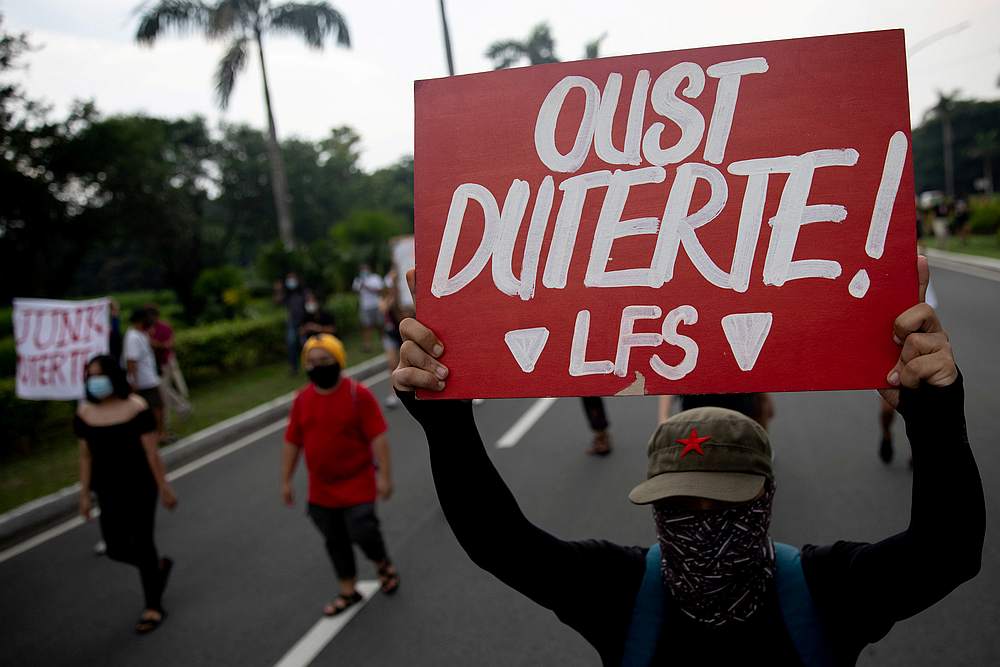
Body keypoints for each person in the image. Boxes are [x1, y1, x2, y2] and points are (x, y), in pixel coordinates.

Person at [390, 260, 984, 665]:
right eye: (679, 506)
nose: (703, 523)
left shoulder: (830, 594)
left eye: (726, 503)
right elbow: (499, 542)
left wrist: (933, 412)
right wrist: (446, 425)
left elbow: (949, 550)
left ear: (764, 499)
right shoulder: (618, 593)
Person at [281, 334, 400, 616]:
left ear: (339, 361)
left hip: (358, 482)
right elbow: (292, 441)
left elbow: (378, 437)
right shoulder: (302, 400)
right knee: (334, 540)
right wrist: (286, 480)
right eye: (311, 362)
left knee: (363, 529)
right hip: (321, 489)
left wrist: (384, 476)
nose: (318, 366)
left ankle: (382, 563)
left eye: (325, 360)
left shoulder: (358, 395)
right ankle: (348, 590)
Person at [76, 355, 178, 634]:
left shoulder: (136, 408)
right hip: (107, 490)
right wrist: (84, 494)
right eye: (89, 375)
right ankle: (155, 568)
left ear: (113, 376)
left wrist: (165, 487)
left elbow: (151, 453)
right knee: (115, 547)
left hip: (140, 487)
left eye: (99, 375)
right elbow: (85, 456)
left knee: (144, 542)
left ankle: (153, 606)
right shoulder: (85, 412)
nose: (94, 381)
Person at [146, 303, 191, 435]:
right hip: (154, 365)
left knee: (163, 392)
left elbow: (169, 344)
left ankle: (166, 422)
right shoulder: (147, 329)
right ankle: (183, 407)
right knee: (164, 389)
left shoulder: (164, 327)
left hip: (166, 362)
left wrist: (155, 344)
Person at [123, 308, 164, 439]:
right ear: (140, 321)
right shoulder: (133, 337)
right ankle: (158, 435)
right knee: (155, 409)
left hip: (149, 379)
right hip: (143, 382)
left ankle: (159, 434)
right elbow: (131, 361)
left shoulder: (142, 334)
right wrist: (133, 382)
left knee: (157, 408)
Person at [379, 270, 407, 409]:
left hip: (403, 333)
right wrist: (392, 296)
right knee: (392, 364)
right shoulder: (386, 298)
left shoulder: (404, 298)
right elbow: (383, 308)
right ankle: (393, 393)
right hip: (390, 334)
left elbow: (405, 314)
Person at [275, 272, 307, 374]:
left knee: (305, 344)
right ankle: (294, 368)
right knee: (291, 343)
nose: (291, 281)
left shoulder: (303, 291)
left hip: (304, 321)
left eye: (292, 278)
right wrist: (278, 290)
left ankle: (310, 364)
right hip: (292, 322)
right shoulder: (287, 294)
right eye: (289, 279)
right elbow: (277, 301)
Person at [353, 264, 384, 353]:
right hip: (365, 307)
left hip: (377, 305)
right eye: (362, 269)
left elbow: (380, 290)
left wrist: (367, 287)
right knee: (366, 326)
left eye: (365, 269)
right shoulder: (358, 280)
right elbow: (355, 291)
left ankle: (384, 342)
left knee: (380, 325)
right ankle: (367, 345)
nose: (364, 271)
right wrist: (360, 285)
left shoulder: (375, 278)